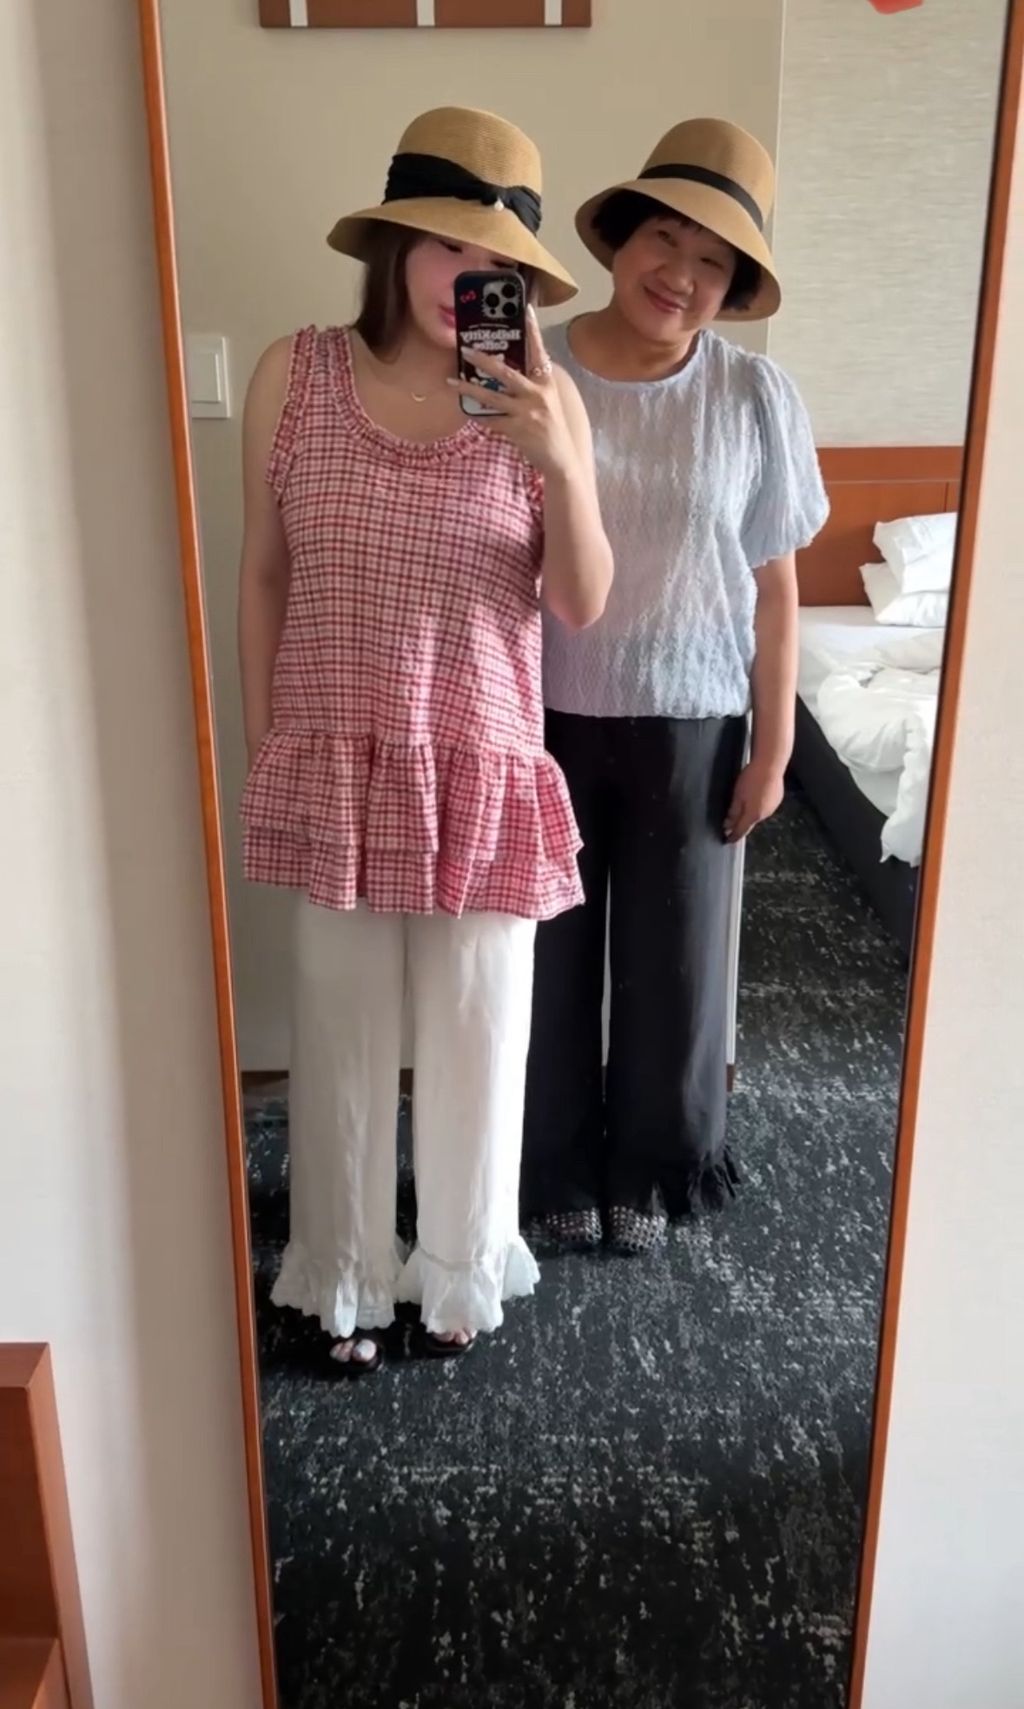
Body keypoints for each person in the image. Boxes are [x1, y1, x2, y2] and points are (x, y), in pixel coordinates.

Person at [238, 106, 612, 1371]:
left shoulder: (545, 401)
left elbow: (580, 602)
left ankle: (457, 1264)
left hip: (483, 759)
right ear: (396, 243)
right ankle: (341, 1272)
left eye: (499, 265)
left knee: (477, 1026)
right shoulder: (294, 373)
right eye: (450, 248)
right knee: (337, 1032)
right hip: (337, 759)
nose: (471, 279)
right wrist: (266, 743)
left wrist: (558, 458)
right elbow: (264, 575)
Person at [522, 118, 828, 1255]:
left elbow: (777, 586)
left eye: (712, 261)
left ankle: (657, 1168)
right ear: (620, 240)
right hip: (539, 709)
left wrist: (773, 746)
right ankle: (548, 1160)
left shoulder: (753, 395)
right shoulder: (532, 370)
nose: (680, 275)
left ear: (733, 286)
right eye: (664, 238)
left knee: (678, 971)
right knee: (544, 957)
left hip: (695, 715)